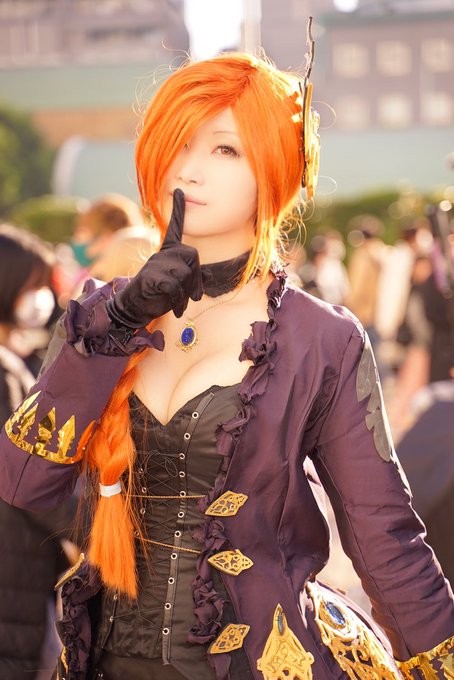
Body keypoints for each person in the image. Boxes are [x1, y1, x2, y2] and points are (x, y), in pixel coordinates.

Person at [0, 47, 453, 680]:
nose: (189, 169)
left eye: (225, 149)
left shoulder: (321, 338)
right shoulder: (100, 317)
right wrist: (119, 323)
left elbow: (385, 538)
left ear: (275, 167)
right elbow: (24, 481)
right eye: (178, 142)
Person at [0, 224, 76, 679]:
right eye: (33, 285)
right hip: (13, 572)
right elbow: (27, 476)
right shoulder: (3, 374)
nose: (43, 298)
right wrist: (93, 530)